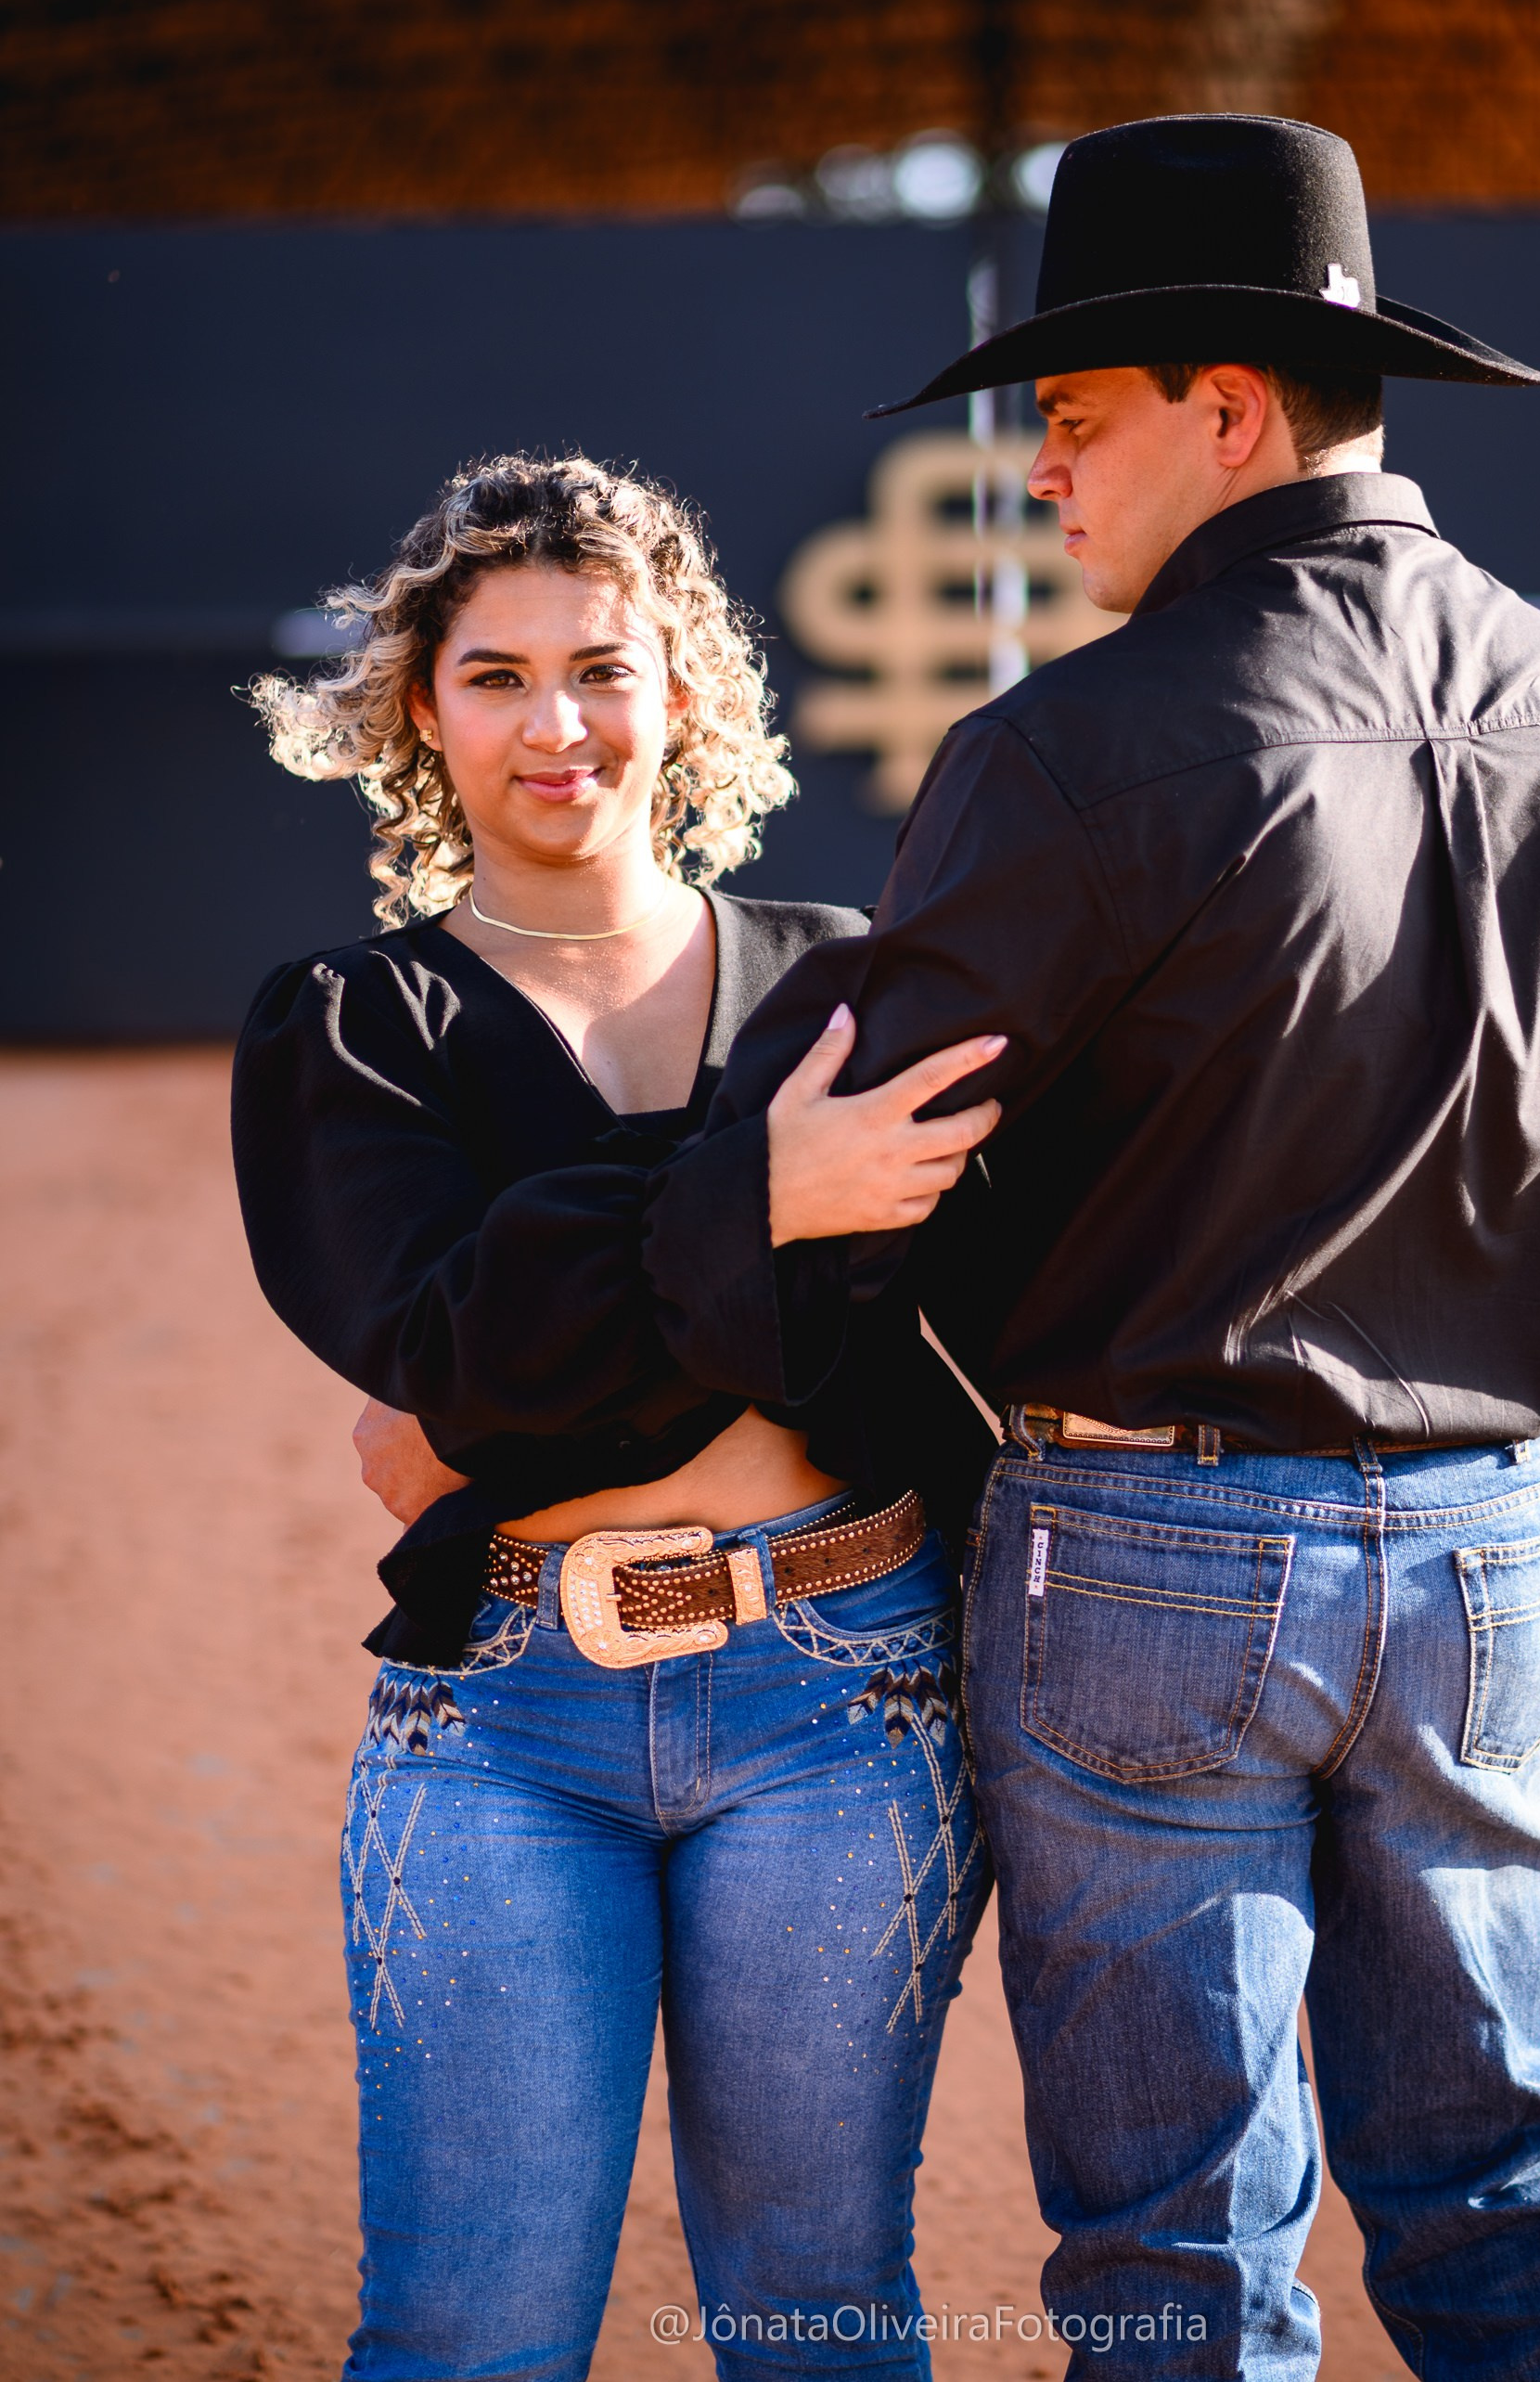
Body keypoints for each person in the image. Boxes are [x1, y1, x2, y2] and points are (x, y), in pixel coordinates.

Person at [641, 118, 1540, 2376]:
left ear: (1224, 410)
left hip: (1144, 1534)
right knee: (1519, 2177)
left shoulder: (1071, 750)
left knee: (1175, 2260)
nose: (1038, 478)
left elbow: (856, 1168)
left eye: (1069, 421)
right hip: (1491, 1538)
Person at [230, 454, 1003, 2382]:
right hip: (505, 1719)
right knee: (467, 2336)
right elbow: (450, 1358)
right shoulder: (350, 1023)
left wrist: (533, 1364)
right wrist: (759, 1208)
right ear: (418, 706)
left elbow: (883, 1346)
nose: (556, 725)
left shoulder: (836, 983)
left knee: (820, 2319)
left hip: (846, 1699)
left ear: (685, 692)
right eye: (494, 676)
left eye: (602, 667)